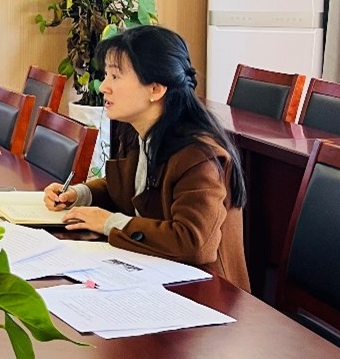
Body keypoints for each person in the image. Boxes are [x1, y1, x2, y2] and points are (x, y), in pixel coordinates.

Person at [42, 25, 250, 291]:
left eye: (115, 76)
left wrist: (109, 223)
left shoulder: (198, 155)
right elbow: (126, 186)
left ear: (155, 89)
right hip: (157, 273)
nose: (103, 87)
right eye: (106, 75)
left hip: (208, 292)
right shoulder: (136, 130)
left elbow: (193, 242)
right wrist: (79, 194)